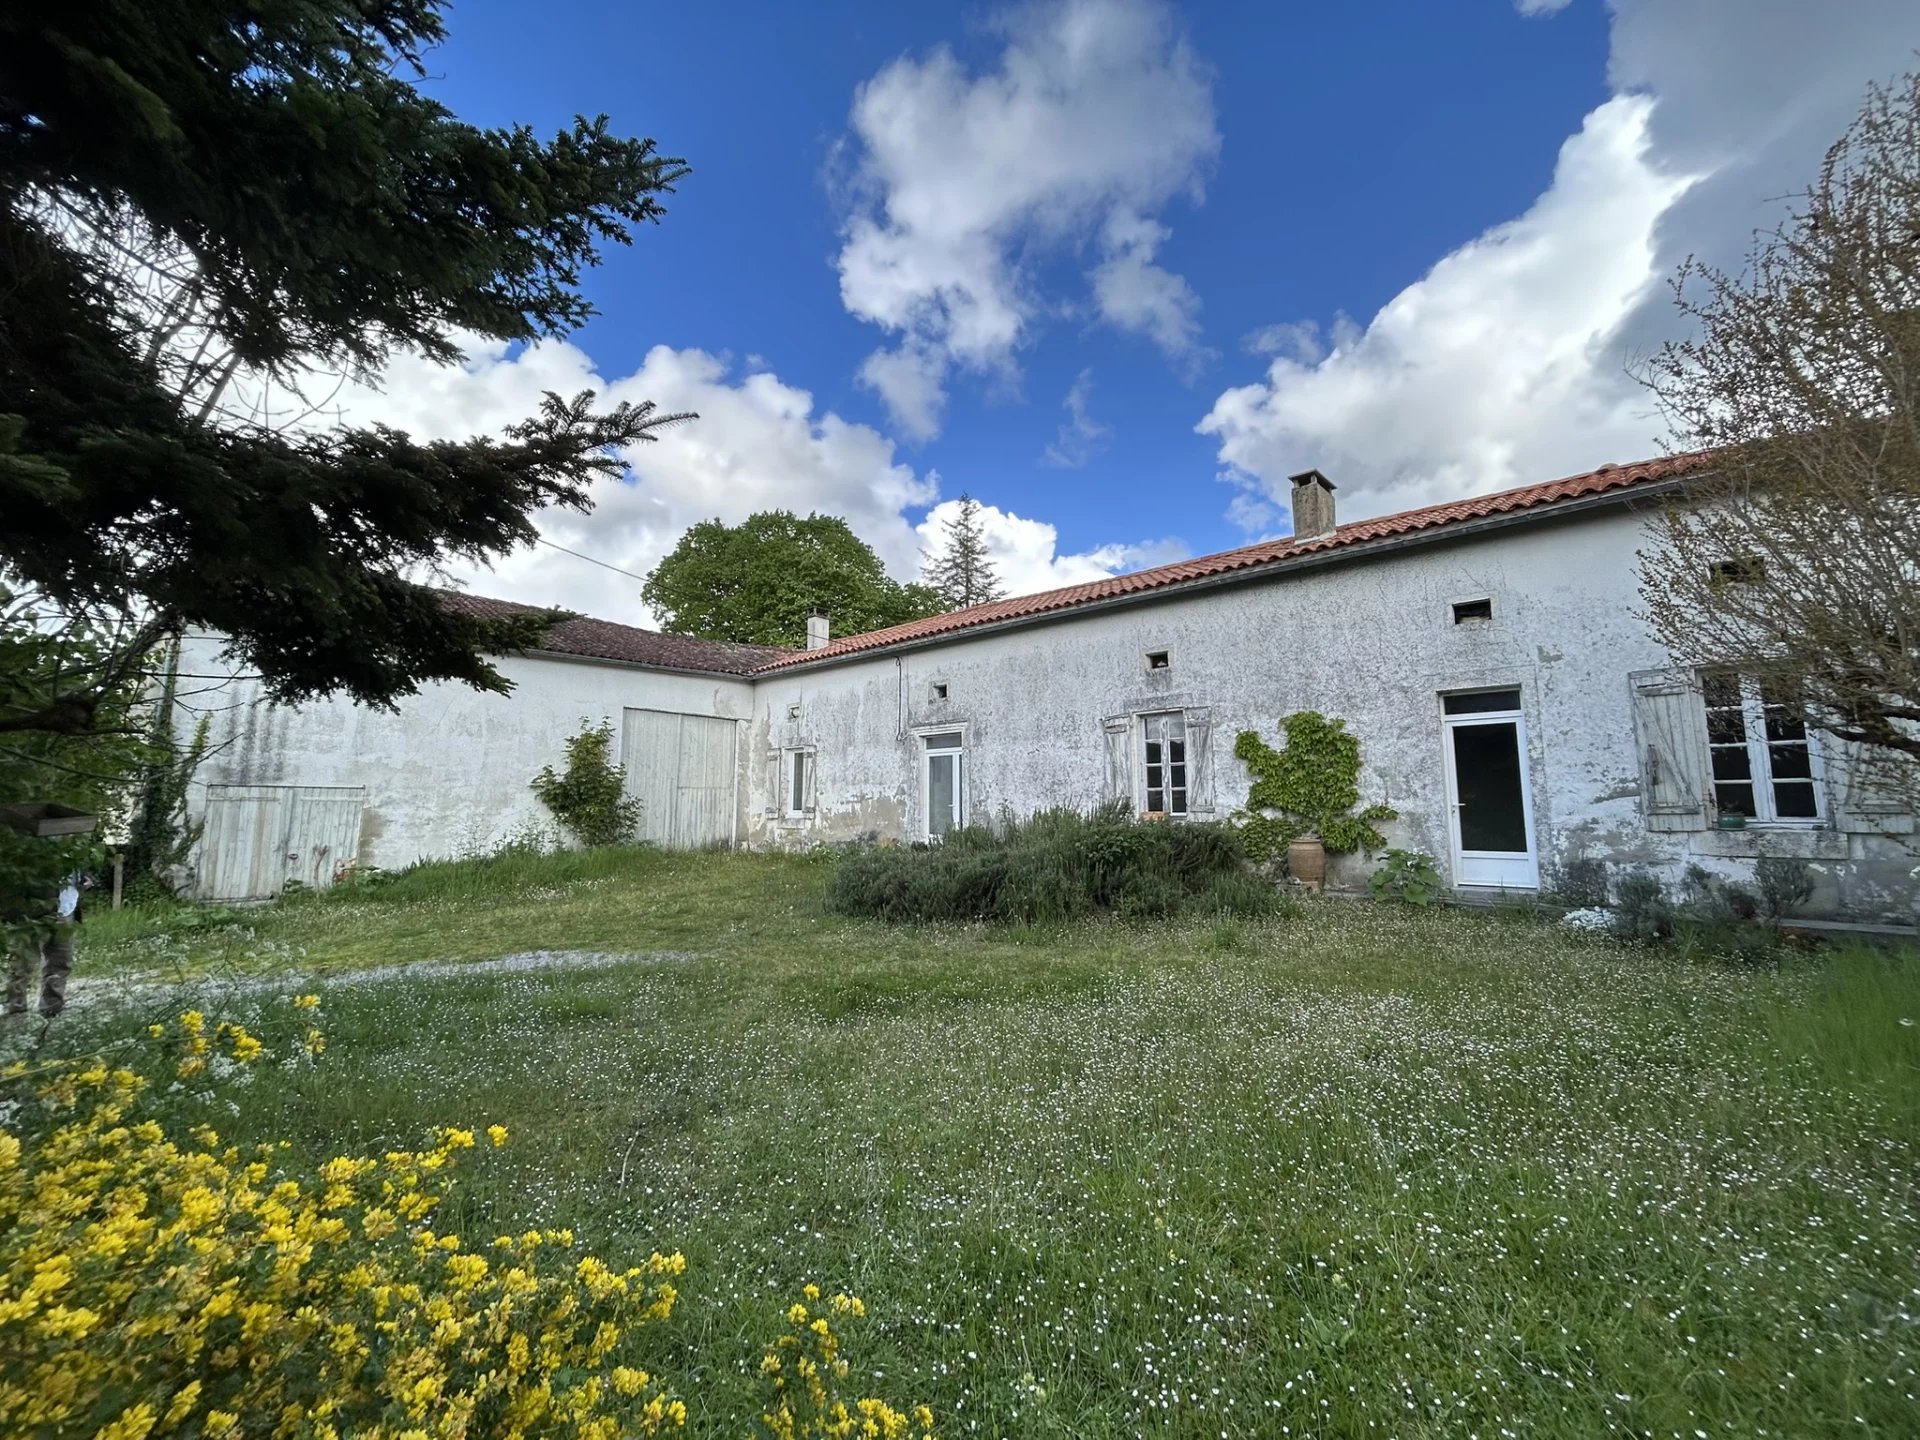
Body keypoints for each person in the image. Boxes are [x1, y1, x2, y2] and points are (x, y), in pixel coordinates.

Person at [4, 875, 79, 1020]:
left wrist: (85, 876)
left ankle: (52, 1009)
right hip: (34, 911)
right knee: (22, 963)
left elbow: (79, 867)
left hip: (66, 909)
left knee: (61, 962)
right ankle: (15, 1011)